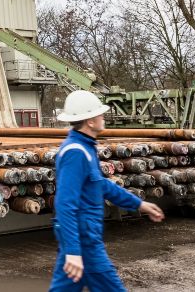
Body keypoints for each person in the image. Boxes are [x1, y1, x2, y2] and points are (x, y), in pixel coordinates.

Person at [50, 90, 165, 292]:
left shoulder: (85, 148)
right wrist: (74, 252)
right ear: (90, 122)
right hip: (84, 240)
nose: (104, 117)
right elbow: (65, 204)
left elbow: (102, 186)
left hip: (83, 237)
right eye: (100, 114)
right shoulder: (75, 152)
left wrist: (139, 204)